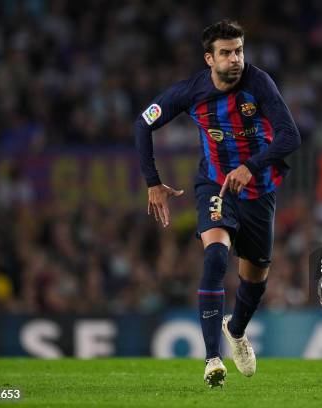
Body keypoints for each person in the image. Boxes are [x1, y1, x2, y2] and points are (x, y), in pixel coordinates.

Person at [133, 20, 300, 387]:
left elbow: (291, 136)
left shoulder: (260, 84)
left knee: (255, 277)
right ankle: (212, 359)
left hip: (258, 188)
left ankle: (236, 331)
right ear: (209, 58)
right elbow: (143, 124)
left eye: (239, 50)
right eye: (225, 53)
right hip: (215, 185)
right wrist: (153, 182)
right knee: (215, 255)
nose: (235, 59)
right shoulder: (189, 91)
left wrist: (250, 166)